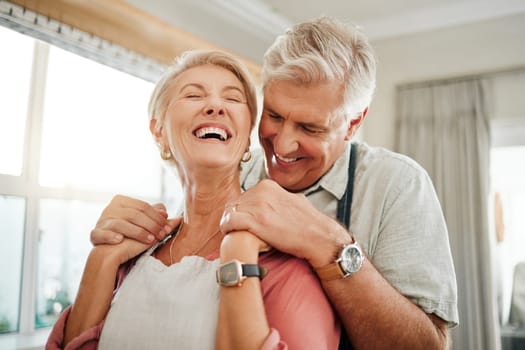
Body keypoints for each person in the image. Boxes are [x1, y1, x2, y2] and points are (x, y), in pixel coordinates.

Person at [91, 17, 459, 349]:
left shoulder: (397, 184)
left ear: (353, 122)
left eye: (310, 128)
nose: (281, 146)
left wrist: (329, 245)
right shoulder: (235, 172)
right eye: (275, 116)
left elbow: (429, 345)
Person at [46, 50, 340, 349]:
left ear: (248, 134)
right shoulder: (129, 257)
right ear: (158, 131)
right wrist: (102, 258)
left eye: (233, 98)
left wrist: (237, 251)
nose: (215, 106)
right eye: (193, 95)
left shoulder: (285, 265)